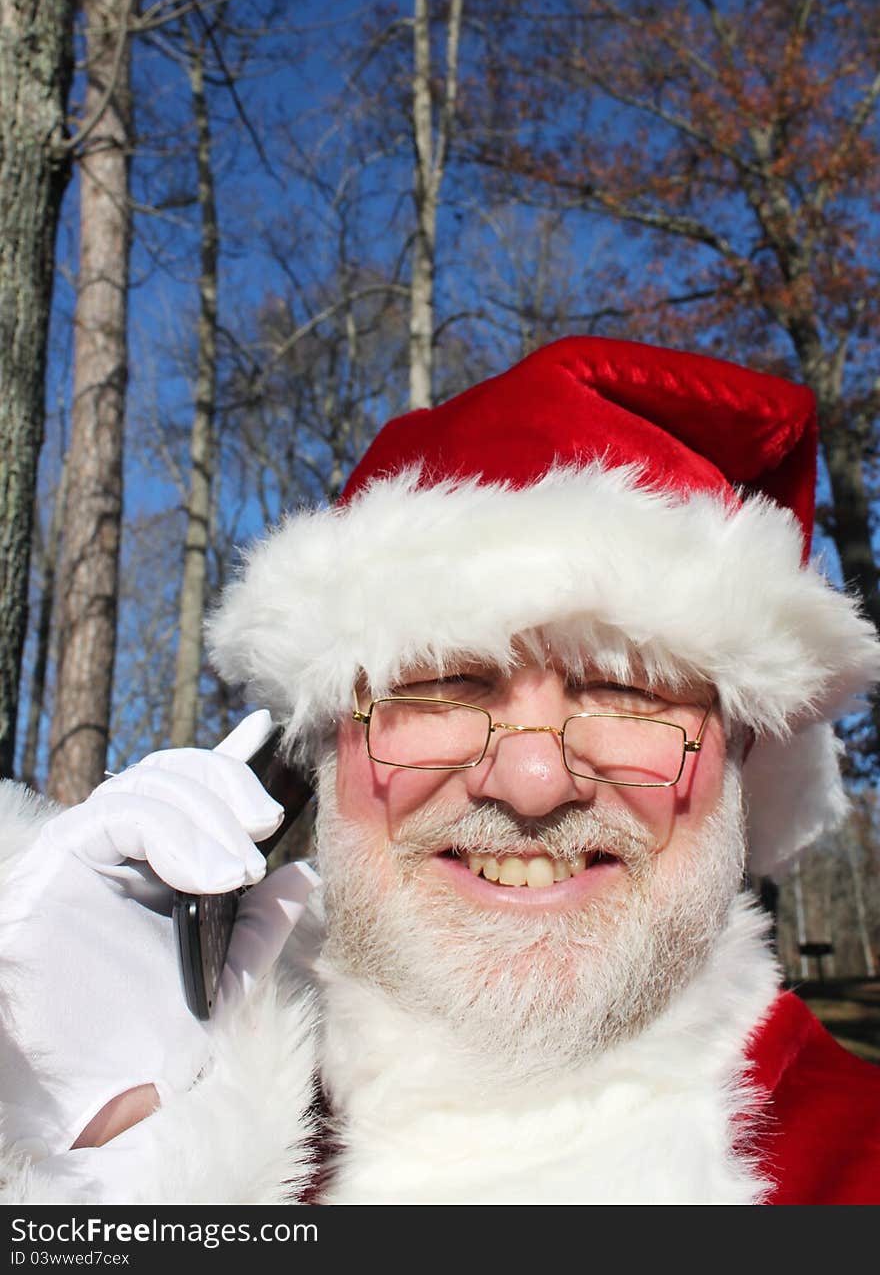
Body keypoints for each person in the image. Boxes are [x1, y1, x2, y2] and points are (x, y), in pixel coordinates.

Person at [1, 334, 880, 1205]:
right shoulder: (163, 1130)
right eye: (444, 683)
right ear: (323, 749)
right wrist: (60, 1178)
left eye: (627, 687)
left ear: (746, 756)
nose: (532, 780)